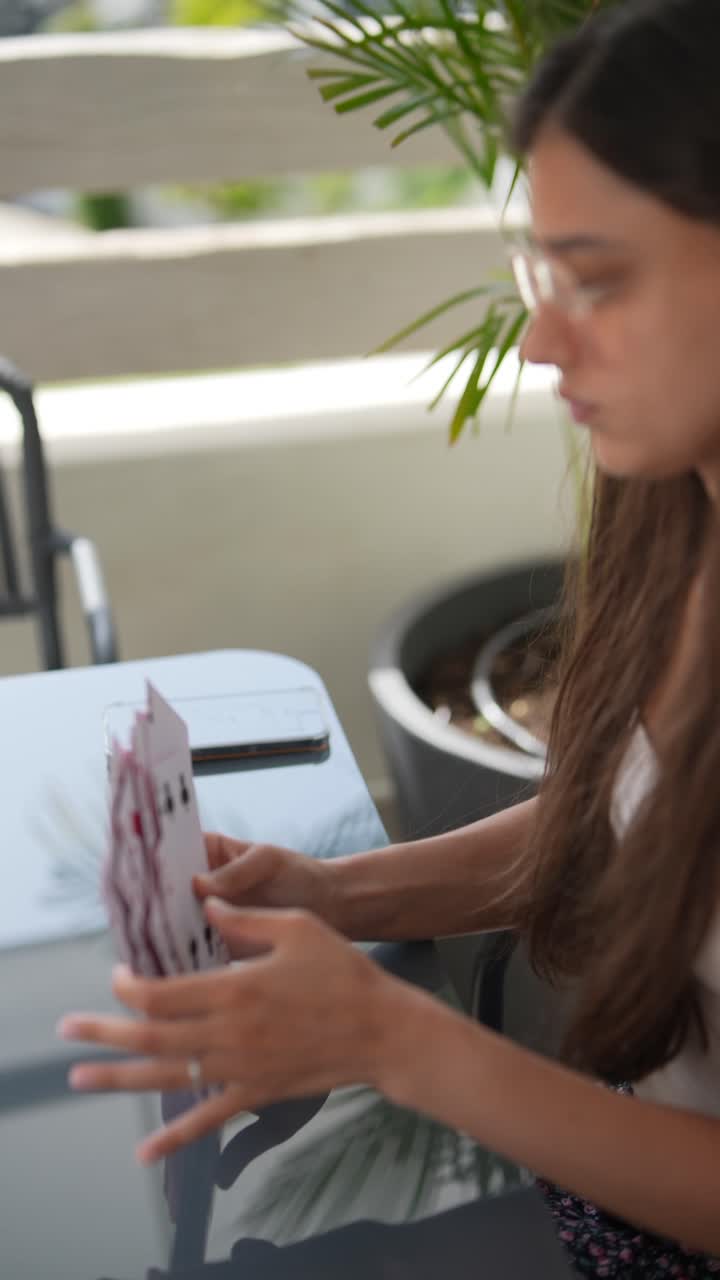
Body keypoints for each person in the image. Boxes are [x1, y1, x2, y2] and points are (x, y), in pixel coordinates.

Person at [58, 0, 720, 1274]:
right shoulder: (679, 525)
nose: (539, 341)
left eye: (599, 280)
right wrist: (338, 892)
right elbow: (635, 816)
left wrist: (400, 1041)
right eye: (544, 276)